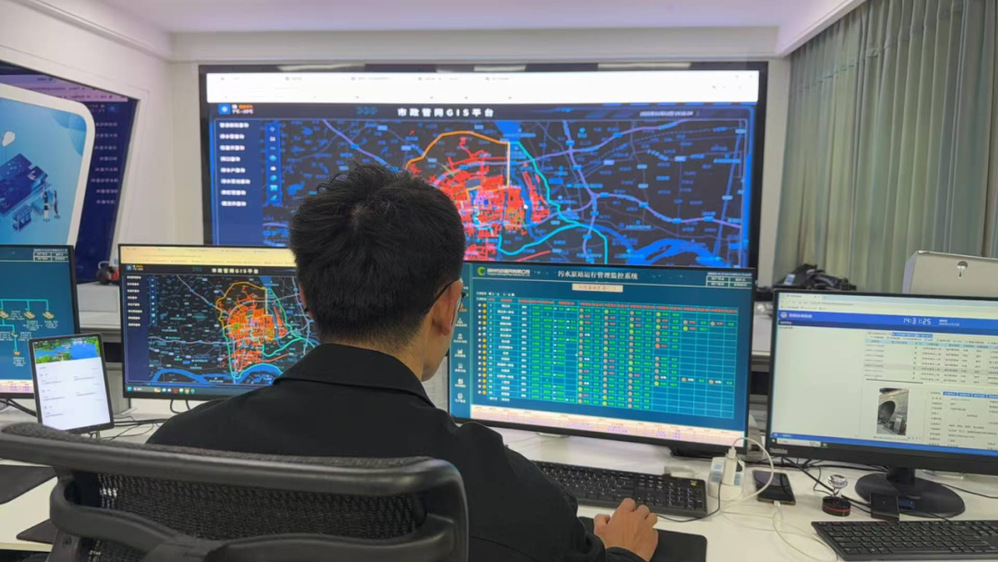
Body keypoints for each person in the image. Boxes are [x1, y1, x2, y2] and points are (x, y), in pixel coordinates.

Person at [149, 164, 659, 562]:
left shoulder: (174, 451)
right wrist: (625, 554)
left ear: (303, 296)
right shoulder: (508, 493)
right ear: (448, 307)